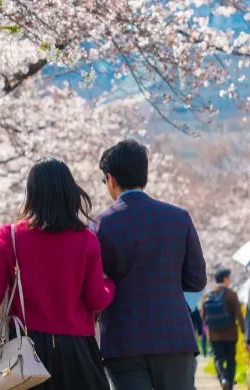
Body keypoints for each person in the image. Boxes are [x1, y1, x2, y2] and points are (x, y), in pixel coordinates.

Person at [0, 158, 115, 390]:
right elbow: (96, 299)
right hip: (77, 350)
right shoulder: (86, 239)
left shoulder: (10, 236)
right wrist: (110, 285)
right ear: (70, 193)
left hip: (24, 350)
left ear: (30, 193)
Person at [90, 139, 207, 390]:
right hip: (174, 335)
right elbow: (197, 280)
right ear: (145, 174)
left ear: (110, 179)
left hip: (123, 340)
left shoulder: (100, 225)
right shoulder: (178, 218)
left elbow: (94, 285)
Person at [200, 269, 244, 390]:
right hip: (230, 334)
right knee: (231, 360)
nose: (230, 281)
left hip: (214, 335)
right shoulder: (231, 294)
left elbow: (203, 316)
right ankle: (229, 384)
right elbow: (239, 315)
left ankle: (223, 378)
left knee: (218, 359)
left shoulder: (207, 296)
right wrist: (244, 330)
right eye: (229, 278)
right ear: (225, 279)